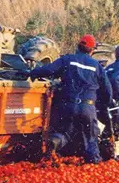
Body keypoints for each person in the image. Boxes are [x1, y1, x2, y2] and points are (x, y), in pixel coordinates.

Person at [30, 34, 111, 164]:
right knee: (90, 137)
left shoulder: (68, 59)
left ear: (78, 47)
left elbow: (48, 69)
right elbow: (107, 90)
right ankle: (93, 164)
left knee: (65, 131)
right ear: (92, 51)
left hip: (67, 106)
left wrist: (33, 73)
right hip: (87, 108)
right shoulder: (97, 66)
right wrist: (103, 105)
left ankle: (55, 142)